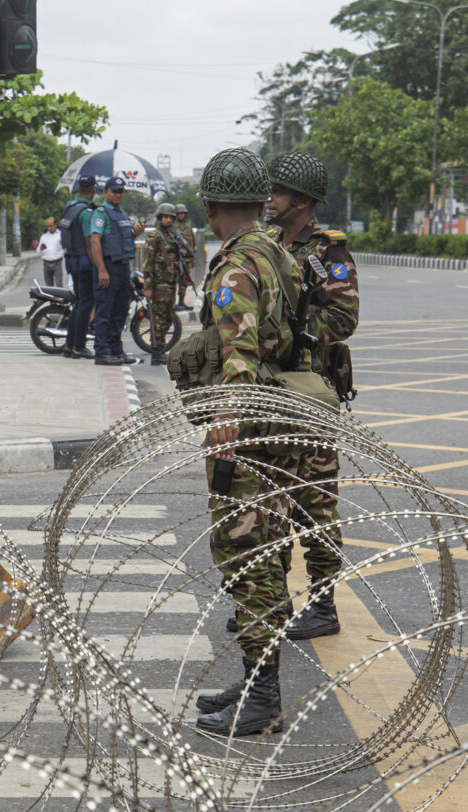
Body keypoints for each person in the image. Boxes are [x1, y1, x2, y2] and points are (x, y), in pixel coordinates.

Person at [168, 147, 299, 739]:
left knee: (246, 558)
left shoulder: (237, 267)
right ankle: (254, 679)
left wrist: (227, 416)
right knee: (263, 551)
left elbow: (241, 347)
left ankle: (263, 695)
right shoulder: (275, 254)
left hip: (247, 431)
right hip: (275, 421)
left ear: (214, 204)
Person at [265, 150, 358, 641]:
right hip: (270, 391)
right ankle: (273, 601)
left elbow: (344, 319)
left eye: (277, 192)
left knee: (315, 502)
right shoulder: (263, 243)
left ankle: (323, 604)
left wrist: (291, 332)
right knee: (269, 499)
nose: (268, 199)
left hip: (310, 393)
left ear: (300, 200)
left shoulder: (327, 251)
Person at [83, 174, 143, 366]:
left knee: (120, 311)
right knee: (104, 311)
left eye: (121, 192)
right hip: (108, 266)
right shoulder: (101, 213)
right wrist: (101, 270)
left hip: (123, 267)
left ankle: (116, 349)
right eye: (114, 192)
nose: (118, 195)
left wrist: (135, 234)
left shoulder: (121, 213)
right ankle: (102, 351)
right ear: (105, 192)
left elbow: (120, 241)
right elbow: (95, 241)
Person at [141, 204, 187, 364]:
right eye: (164, 217)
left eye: (170, 217)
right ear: (160, 218)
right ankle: (156, 351)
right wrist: (147, 287)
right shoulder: (155, 236)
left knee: (168, 316)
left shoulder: (172, 235)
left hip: (170, 282)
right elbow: (148, 263)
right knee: (159, 318)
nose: (167, 219)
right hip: (158, 283)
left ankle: (160, 347)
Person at [59, 174, 98, 359]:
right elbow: (90, 242)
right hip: (84, 263)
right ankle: (79, 346)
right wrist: (99, 265)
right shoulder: (86, 212)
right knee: (85, 304)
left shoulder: (70, 207)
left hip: (71, 260)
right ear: (93, 190)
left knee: (78, 303)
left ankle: (69, 345)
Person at [36, 216, 66, 287]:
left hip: (57, 263)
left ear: (55, 225)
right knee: (49, 286)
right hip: (46, 263)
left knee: (59, 285)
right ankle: (50, 298)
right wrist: (41, 248)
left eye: (51, 226)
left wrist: (64, 243)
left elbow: (66, 249)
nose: (49, 228)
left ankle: (59, 298)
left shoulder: (61, 235)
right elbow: (38, 251)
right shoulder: (44, 236)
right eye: (48, 226)